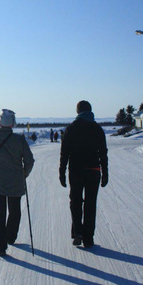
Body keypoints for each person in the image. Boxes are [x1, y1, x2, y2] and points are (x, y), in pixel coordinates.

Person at [0, 109, 35, 256]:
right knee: (14, 211)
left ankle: (0, 247)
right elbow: (29, 160)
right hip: (15, 182)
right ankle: (10, 237)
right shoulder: (20, 140)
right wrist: (24, 174)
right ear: (13, 124)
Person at [59, 100, 108, 248]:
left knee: (75, 202)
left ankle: (78, 232)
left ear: (78, 112)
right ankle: (88, 238)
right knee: (90, 203)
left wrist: (61, 172)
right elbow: (103, 153)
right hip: (93, 171)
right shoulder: (97, 129)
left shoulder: (71, 129)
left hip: (76, 171)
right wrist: (105, 172)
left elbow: (64, 153)